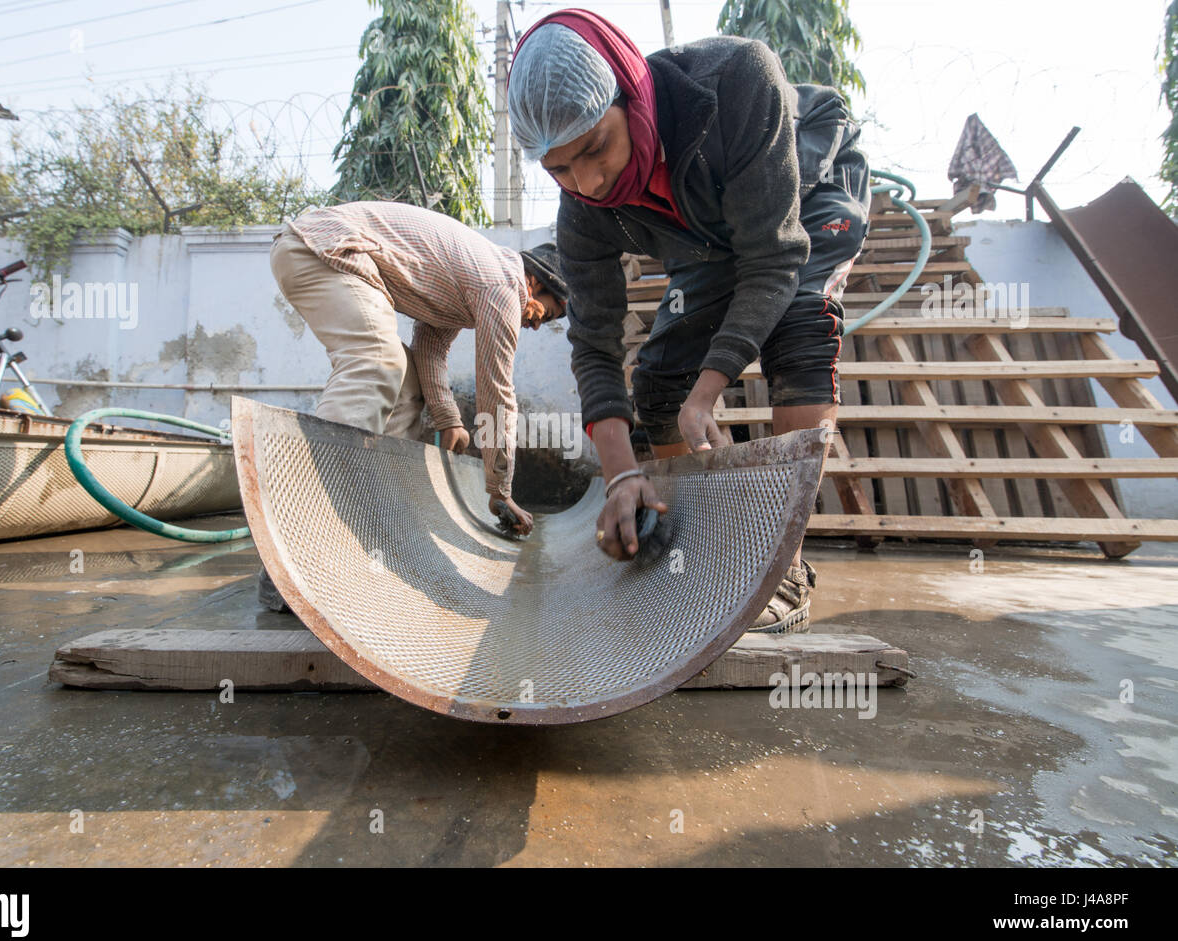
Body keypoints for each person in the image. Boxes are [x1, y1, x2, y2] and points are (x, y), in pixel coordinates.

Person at [508, 9, 870, 633]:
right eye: (560, 169)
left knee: (798, 327)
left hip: (805, 194)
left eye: (596, 147)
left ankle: (784, 570)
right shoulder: (584, 211)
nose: (589, 181)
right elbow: (594, 345)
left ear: (630, 89)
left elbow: (774, 259)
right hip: (707, 236)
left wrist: (711, 390)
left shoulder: (732, 81)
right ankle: (703, 543)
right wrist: (622, 474)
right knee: (657, 384)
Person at [269, 201, 569, 537]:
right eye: (550, 313)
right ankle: (313, 518)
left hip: (314, 250)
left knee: (407, 384)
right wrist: (500, 490)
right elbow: (496, 390)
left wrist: (448, 420)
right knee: (378, 360)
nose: (539, 325)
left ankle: (381, 508)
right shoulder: (502, 286)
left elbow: (431, 349)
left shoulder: (476, 278)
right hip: (321, 248)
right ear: (535, 282)